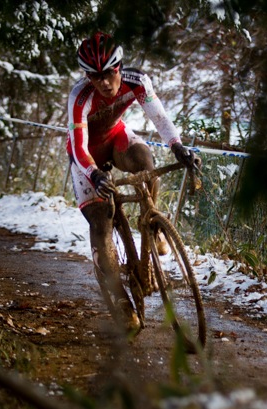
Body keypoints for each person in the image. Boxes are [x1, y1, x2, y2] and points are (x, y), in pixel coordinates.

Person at [66, 32, 197, 334]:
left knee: (145, 160)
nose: (103, 82)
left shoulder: (136, 80)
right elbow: (77, 146)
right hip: (86, 158)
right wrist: (95, 174)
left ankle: (150, 221)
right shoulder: (80, 96)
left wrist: (178, 147)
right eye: (94, 76)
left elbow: (159, 118)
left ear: (119, 67)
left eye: (109, 73)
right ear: (87, 76)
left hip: (116, 138)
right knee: (101, 225)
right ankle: (121, 303)